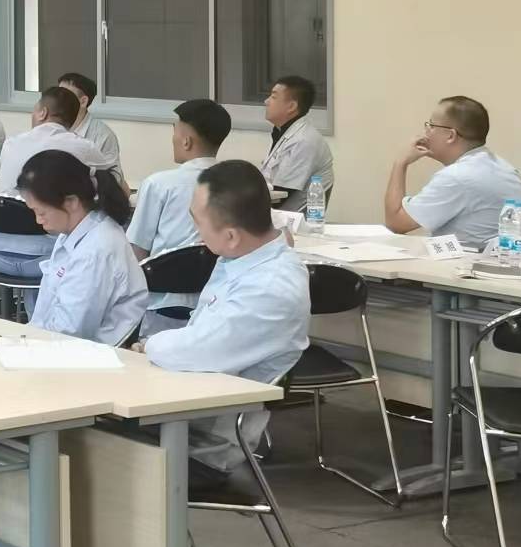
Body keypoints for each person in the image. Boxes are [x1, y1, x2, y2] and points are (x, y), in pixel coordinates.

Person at [144, 161, 310, 478]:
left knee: (77, 444)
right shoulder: (244, 256)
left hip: (203, 445)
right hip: (183, 410)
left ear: (232, 235)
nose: (196, 233)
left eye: (198, 223)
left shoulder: (270, 289)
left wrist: (150, 343)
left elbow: (197, 350)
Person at [20, 149, 147, 345]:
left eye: (42, 212)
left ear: (71, 202)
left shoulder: (95, 250)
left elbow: (70, 332)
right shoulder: (74, 232)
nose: (38, 220)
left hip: (83, 352)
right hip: (56, 343)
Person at [0, 85, 114, 282]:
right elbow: (113, 181)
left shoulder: (11, 144)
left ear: (42, 112)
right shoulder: (82, 147)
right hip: (47, 256)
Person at [383, 96, 521, 250]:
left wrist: (400, 163)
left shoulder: (457, 177)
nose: (425, 133)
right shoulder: (505, 168)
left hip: (468, 263)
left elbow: (396, 223)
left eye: (431, 125)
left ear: (450, 136)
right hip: (501, 259)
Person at [128, 99, 231, 258]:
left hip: (163, 272)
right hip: (218, 271)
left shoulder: (158, 184)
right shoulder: (234, 182)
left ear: (186, 142)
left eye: (174, 131)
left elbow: (137, 248)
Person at [260, 76, 334, 211]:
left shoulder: (304, 141)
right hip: (275, 214)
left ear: (292, 107)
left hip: (292, 219)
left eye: (273, 97)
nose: (266, 101)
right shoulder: (284, 133)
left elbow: (280, 195)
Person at [57, 72, 125, 187]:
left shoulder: (104, 135)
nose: (58, 100)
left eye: (65, 96)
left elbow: (113, 180)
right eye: (57, 94)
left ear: (83, 101)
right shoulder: (52, 126)